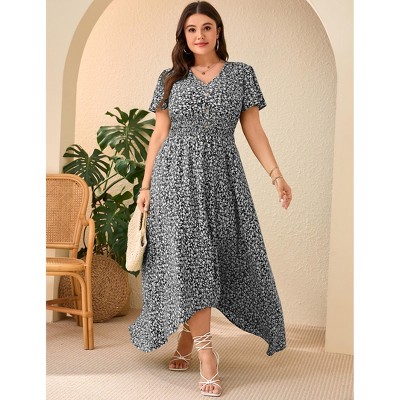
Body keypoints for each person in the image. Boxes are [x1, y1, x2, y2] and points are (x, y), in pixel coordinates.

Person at [128, 1, 292, 397]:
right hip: (174, 180)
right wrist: (145, 187)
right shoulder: (170, 78)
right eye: (191, 29)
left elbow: (253, 130)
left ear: (218, 31)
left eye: (206, 27)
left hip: (221, 180)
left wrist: (276, 175)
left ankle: (187, 336)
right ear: (183, 36)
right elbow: (158, 135)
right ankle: (206, 355)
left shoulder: (241, 75)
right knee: (190, 259)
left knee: (213, 258)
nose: (199, 35)